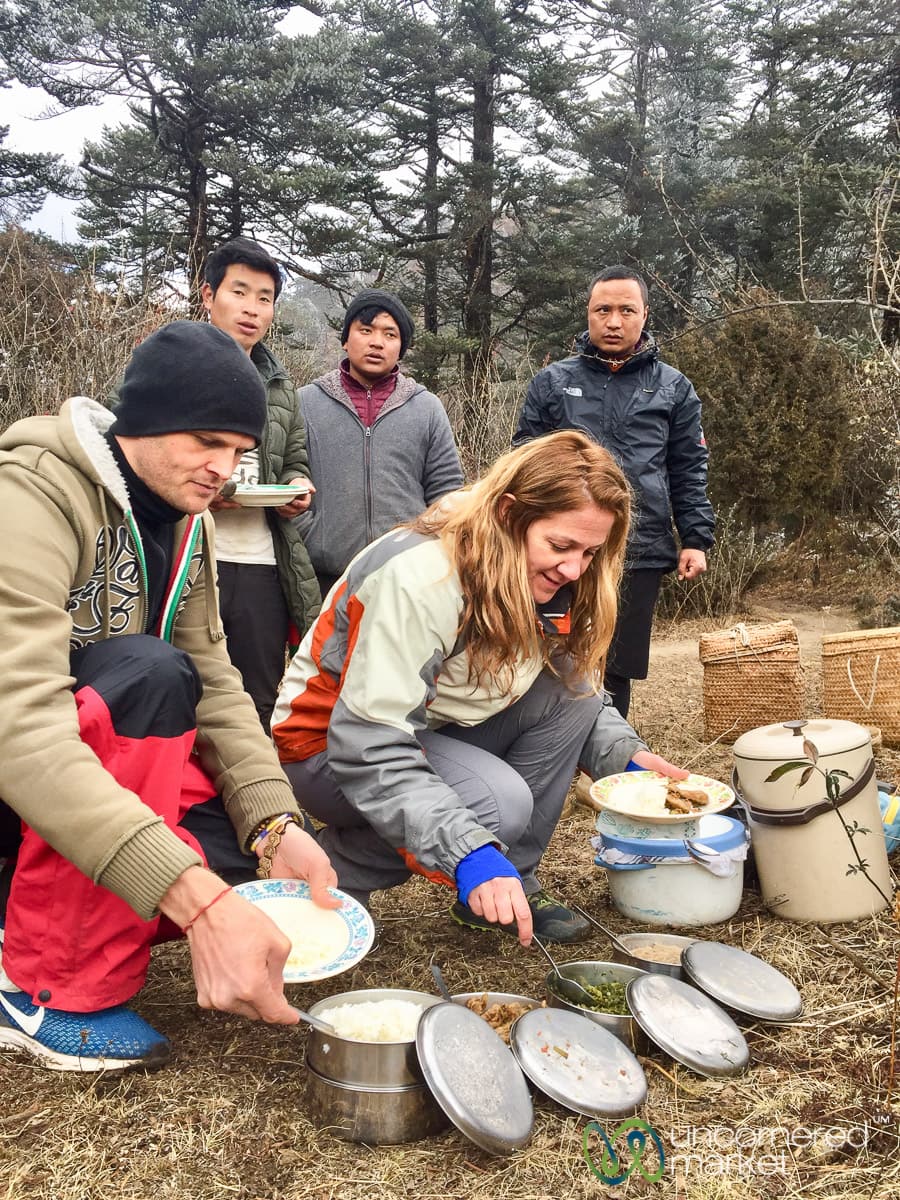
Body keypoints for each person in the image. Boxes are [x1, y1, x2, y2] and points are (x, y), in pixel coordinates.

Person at [0, 321, 338, 1073]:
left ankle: (51, 915)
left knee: (237, 851)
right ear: (146, 422)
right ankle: (38, 987)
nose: (226, 469)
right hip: (23, 765)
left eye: (240, 452)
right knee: (149, 674)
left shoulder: (188, 524)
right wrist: (198, 906)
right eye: (208, 443)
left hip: (81, 763)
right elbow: (20, 727)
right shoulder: (28, 497)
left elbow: (217, 684)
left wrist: (276, 824)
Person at [272, 431, 687, 946]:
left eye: (590, 551)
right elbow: (370, 742)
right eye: (560, 546)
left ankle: (508, 882)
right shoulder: (422, 576)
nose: (574, 568)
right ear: (510, 514)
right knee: (495, 805)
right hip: (327, 744)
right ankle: (314, 874)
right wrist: (464, 847)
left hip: (433, 726)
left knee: (571, 690)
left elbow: (568, 681)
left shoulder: (552, 572)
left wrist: (627, 760)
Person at [514, 266, 714, 718]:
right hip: (563, 550)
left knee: (617, 663)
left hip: (638, 549)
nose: (614, 321)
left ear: (645, 315)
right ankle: (546, 743)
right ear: (588, 314)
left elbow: (687, 467)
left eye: (627, 310)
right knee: (549, 652)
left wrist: (696, 538)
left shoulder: (673, 387)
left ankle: (608, 759)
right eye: (602, 310)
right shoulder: (551, 382)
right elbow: (524, 463)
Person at [201, 237, 320, 729]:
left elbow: (295, 459)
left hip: (261, 563)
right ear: (208, 295)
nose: (252, 309)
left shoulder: (279, 385)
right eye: (240, 292)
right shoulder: (172, 368)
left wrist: (296, 488)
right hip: (191, 556)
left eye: (264, 298)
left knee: (255, 697)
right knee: (182, 690)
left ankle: (251, 803)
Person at [296, 288, 464, 600]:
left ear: (401, 348)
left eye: (390, 334)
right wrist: (311, 535)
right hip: (324, 578)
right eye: (365, 330)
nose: (377, 342)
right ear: (346, 339)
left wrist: (427, 547)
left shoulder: (426, 407)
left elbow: (447, 492)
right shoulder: (306, 402)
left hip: (408, 578)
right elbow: (289, 473)